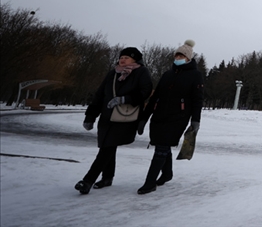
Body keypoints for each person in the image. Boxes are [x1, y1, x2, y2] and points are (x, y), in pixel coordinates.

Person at [75, 47, 153, 194]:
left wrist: (124, 99)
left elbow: (145, 91)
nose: (122, 60)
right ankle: (107, 177)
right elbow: (100, 94)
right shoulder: (113, 73)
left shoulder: (142, 72)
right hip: (107, 116)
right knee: (107, 145)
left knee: (107, 148)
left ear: (135, 60)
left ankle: (87, 181)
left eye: (127, 58)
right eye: (121, 57)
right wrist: (90, 116)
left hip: (125, 117)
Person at [137, 39, 204, 194]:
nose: (178, 58)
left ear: (188, 58)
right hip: (159, 115)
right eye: (177, 56)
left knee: (162, 147)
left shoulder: (195, 75)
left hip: (178, 117)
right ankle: (167, 174)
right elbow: (155, 96)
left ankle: (150, 182)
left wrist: (195, 120)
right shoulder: (167, 74)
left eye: (182, 56)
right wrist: (144, 118)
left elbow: (197, 99)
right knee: (162, 144)